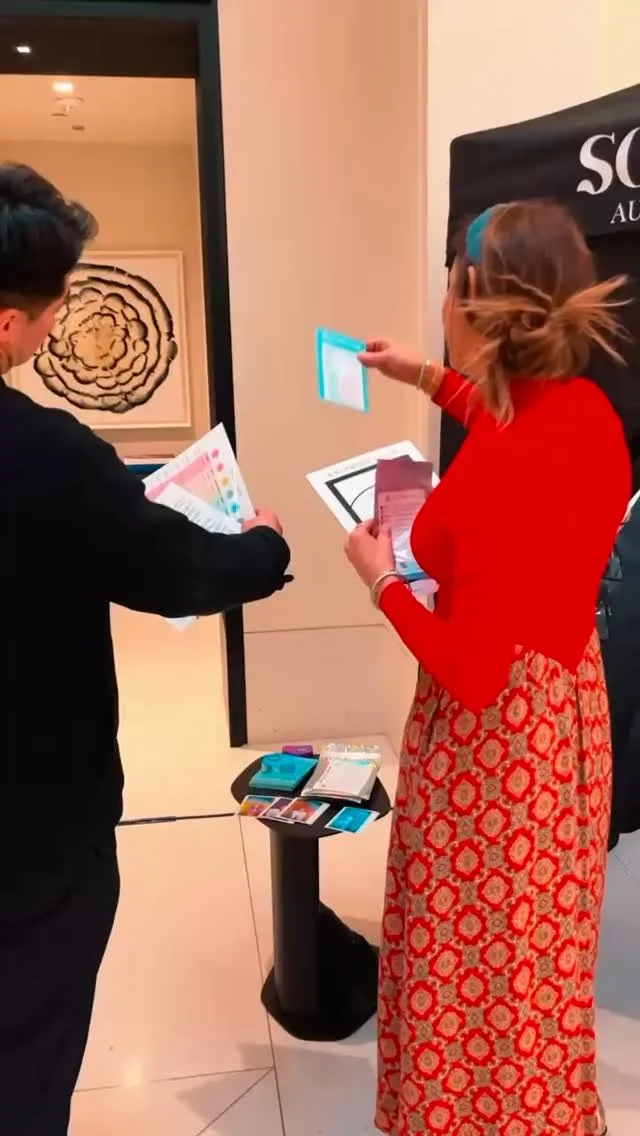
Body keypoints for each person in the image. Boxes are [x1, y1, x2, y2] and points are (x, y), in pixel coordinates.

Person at [0, 163, 291, 1135]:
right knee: (24, 1060)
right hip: (30, 829)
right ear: (9, 322)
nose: (53, 328)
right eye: (52, 311)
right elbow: (177, 572)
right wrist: (264, 546)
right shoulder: (42, 455)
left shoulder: (58, 464)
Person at [346, 200, 631, 1136]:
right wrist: (424, 376)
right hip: (563, 720)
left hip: (493, 754)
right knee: (536, 965)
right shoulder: (583, 411)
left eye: (448, 289)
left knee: (469, 971)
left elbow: (468, 671)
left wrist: (382, 580)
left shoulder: (509, 469)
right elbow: (508, 419)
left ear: (476, 306)